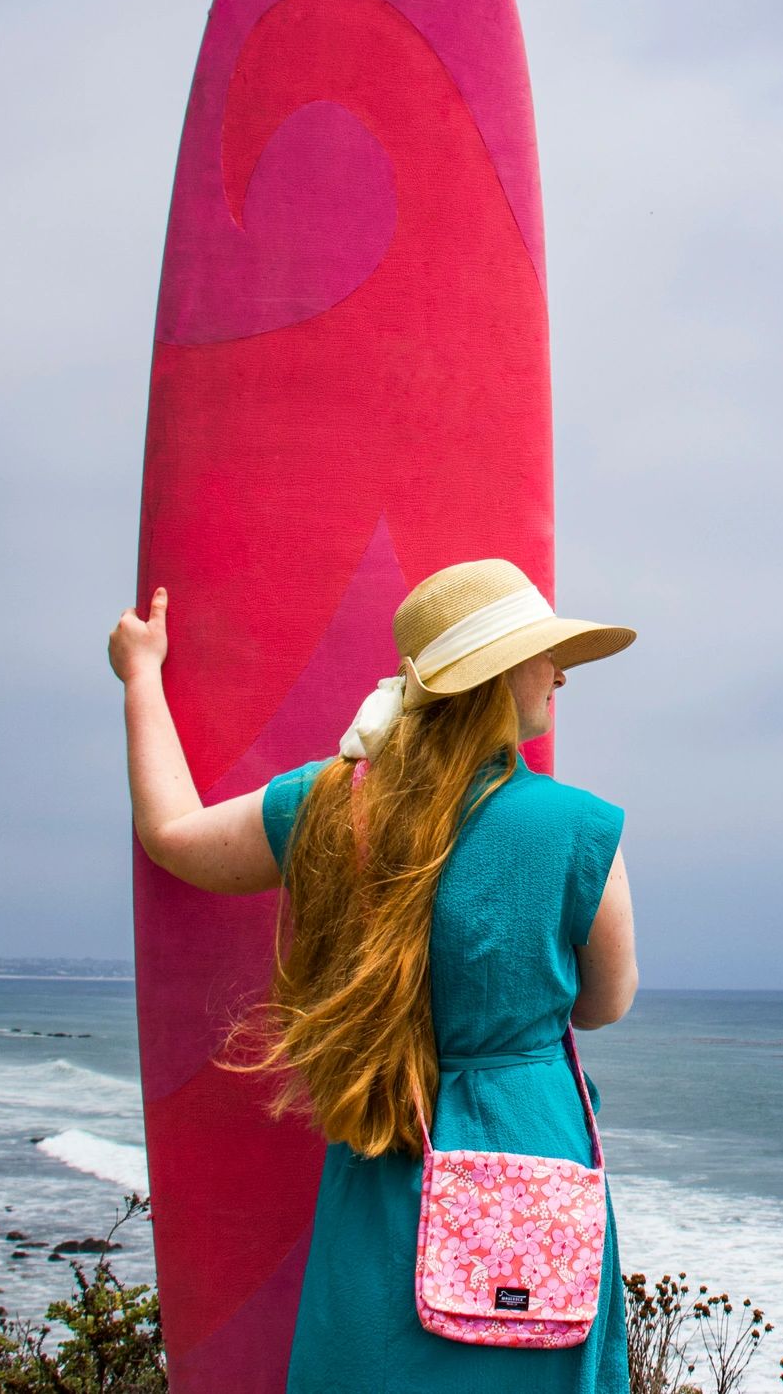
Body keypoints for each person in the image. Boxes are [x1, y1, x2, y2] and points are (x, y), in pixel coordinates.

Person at [108, 557, 639, 1393]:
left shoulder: (325, 802)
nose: (562, 672)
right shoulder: (579, 828)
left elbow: (173, 834)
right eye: (546, 652)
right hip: (536, 1169)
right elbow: (607, 1004)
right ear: (498, 675)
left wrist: (141, 676)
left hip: (390, 1138)